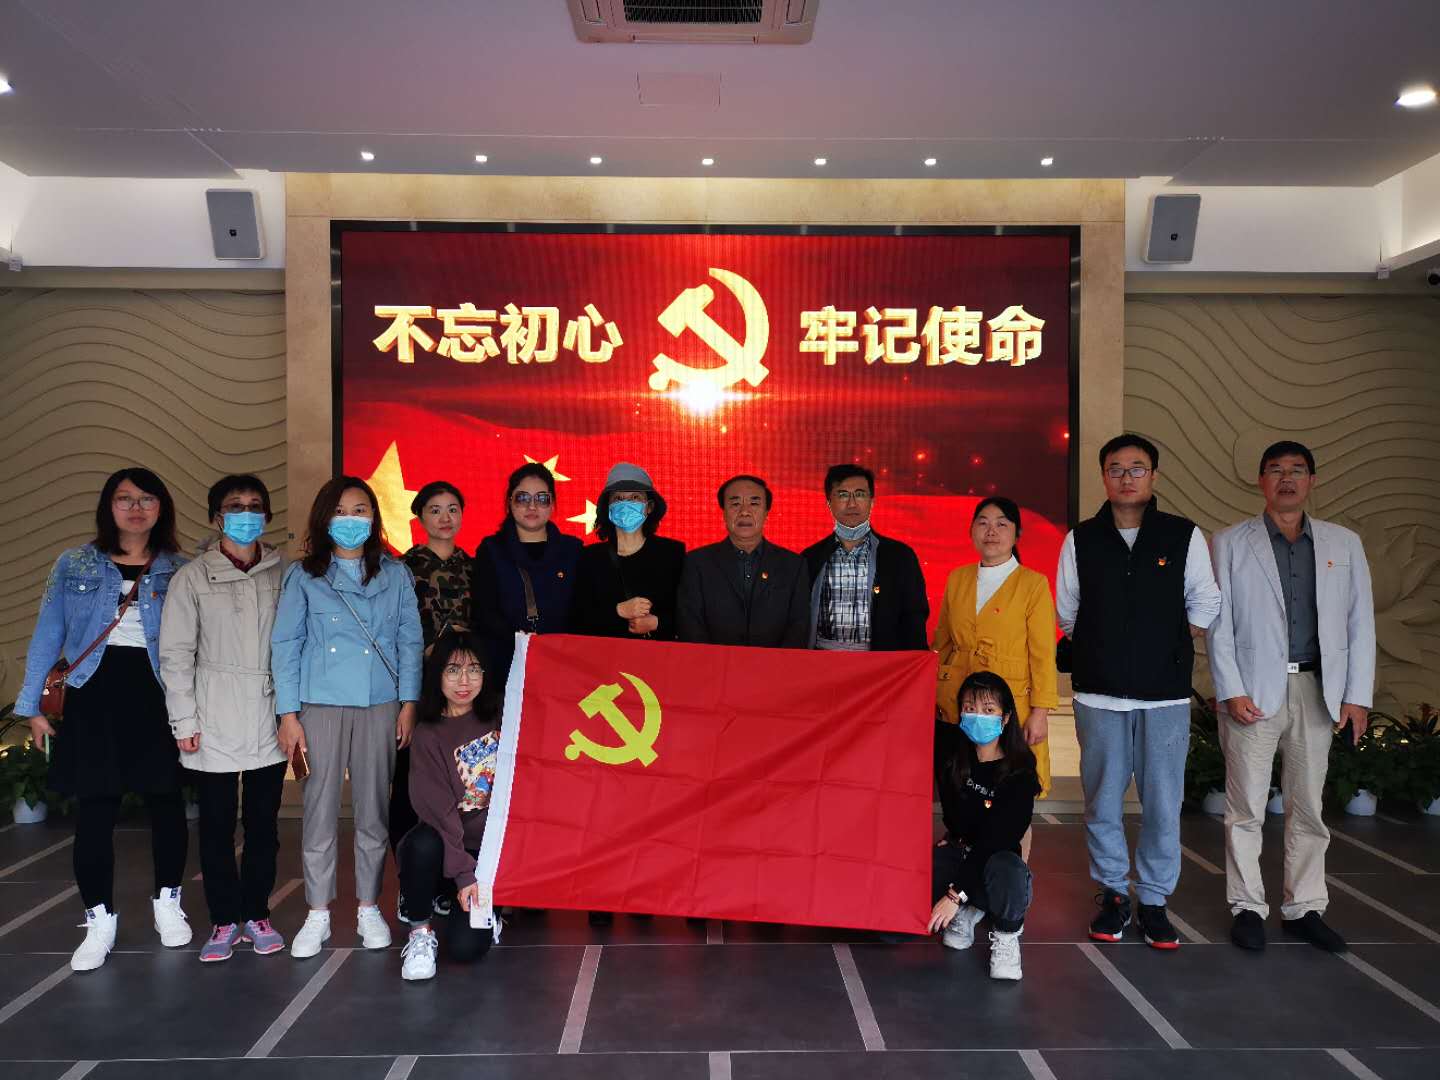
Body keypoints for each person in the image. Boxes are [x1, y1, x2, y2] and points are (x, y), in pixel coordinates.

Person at [17, 467, 191, 971]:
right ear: (108, 506)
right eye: (124, 499)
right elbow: (48, 632)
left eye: (147, 499)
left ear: (162, 507)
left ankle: (168, 904)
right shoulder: (74, 563)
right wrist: (31, 706)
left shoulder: (180, 568)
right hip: (93, 692)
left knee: (167, 802)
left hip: (158, 692)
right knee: (95, 809)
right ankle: (99, 921)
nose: (135, 508)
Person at [1208, 441, 1375, 954]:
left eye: (1297, 470)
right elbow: (1218, 624)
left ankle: (1305, 908)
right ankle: (1247, 907)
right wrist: (1231, 689)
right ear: (1261, 481)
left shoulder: (1344, 543)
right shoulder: (1229, 542)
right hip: (1252, 692)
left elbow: (1360, 623)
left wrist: (1357, 696)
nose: (1287, 478)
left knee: (1308, 806)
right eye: (1276, 470)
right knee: (1246, 807)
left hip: (1318, 689)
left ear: (1311, 481)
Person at [1057, 434, 1221, 949]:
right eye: (1116, 469)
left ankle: (1153, 900)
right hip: (1099, 695)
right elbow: (1067, 611)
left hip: (1164, 696)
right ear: (1103, 476)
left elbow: (1206, 600)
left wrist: (1167, 642)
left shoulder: (1182, 536)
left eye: (1137, 468)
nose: (1126, 477)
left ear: (1153, 475)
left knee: (1162, 804)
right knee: (1103, 803)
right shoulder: (1081, 539)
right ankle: (1112, 894)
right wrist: (1102, 647)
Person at [272, 476, 424, 960]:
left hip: (379, 702)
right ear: (324, 517)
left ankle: (367, 906)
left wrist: (409, 702)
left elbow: (410, 641)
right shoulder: (304, 576)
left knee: (373, 811)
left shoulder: (394, 574)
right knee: (318, 810)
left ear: (374, 518)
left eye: (361, 510)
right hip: (319, 703)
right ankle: (317, 912)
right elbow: (286, 645)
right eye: (341, 510)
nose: (351, 519)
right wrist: (288, 714)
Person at [159, 474, 288, 962]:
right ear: (217, 517)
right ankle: (223, 918)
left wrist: (294, 714)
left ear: (267, 515)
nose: (246, 514)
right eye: (235, 506)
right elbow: (176, 655)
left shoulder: (284, 573)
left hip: (270, 711)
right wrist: (184, 721)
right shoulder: (192, 577)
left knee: (263, 825)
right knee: (215, 826)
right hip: (211, 713)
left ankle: (257, 913)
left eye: (255, 505)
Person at [932, 497, 1058, 800]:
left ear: (1017, 534)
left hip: (1010, 701)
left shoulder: (1033, 584)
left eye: (1002, 524)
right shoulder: (958, 578)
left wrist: (1040, 713)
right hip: (961, 698)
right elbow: (942, 642)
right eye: (983, 523)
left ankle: (1009, 833)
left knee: (1010, 783)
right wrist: (931, 689)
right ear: (971, 531)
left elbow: (1042, 655)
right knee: (961, 779)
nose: (991, 531)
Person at [397, 630, 501, 981]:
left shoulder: (502, 715)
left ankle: (490, 912)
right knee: (420, 843)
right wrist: (464, 876)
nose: (464, 681)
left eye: (474, 669)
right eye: (453, 670)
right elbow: (441, 815)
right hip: (449, 846)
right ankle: (420, 931)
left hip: (491, 853)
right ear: (437, 675)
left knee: (465, 949)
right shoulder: (428, 734)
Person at [393, 480, 473, 917]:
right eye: (435, 509)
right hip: (419, 689)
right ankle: (412, 883)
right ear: (420, 517)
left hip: (463, 691)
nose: (445, 517)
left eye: (453, 509)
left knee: (459, 784)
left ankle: (449, 881)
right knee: (412, 787)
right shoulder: (403, 569)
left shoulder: (473, 567)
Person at [928, 671, 1038, 981]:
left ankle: (1006, 932)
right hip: (958, 849)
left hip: (994, 859)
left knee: (1008, 870)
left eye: (989, 710)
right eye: (969, 708)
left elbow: (994, 842)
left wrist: (954, 895)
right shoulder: (950, 746)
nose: (978, 716)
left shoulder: (1020, 772)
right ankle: (970, 908)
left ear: (1005, 718)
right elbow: (904, 715)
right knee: (900, 918)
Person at [471, 462, 581, 690]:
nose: (532, 506)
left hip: (563, 665)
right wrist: (520, 639)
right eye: (522, 498)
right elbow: (483, 612)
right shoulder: (491, 549)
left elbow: (582, 610)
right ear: (509, 502)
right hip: (506, 667)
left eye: (542, 498)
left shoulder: (573, 550)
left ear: (552, 504)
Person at [801, 464, 928, 652]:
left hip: (879, 663)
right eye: (842, 495)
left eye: (860, 494)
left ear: (872, 501)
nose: (852, 504)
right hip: (822, 660)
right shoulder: (810, 558)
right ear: (829, 502)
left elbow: (914, 616)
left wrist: (914, 661)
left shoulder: (900, 556)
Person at [677, 475, 810, 647]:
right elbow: (690, 625)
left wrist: (777, 662)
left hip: (775, 663)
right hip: (714, 662)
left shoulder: (794, 565)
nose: (744, 512)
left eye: (754, 503)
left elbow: (798, 626)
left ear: (766, 512)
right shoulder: (697, 563)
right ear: (723, 512)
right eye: (735, 504)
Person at [572, 463, 686, 641]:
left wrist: (657, 623)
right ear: (608, 508)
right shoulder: (589, 558)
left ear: (649, 507)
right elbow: (576, 620)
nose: (625, 504)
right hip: (604, 656)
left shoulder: (673, 553)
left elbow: (690, 615)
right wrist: (617, 611)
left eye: (635, 497)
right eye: (618, 498)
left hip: (659, 655)